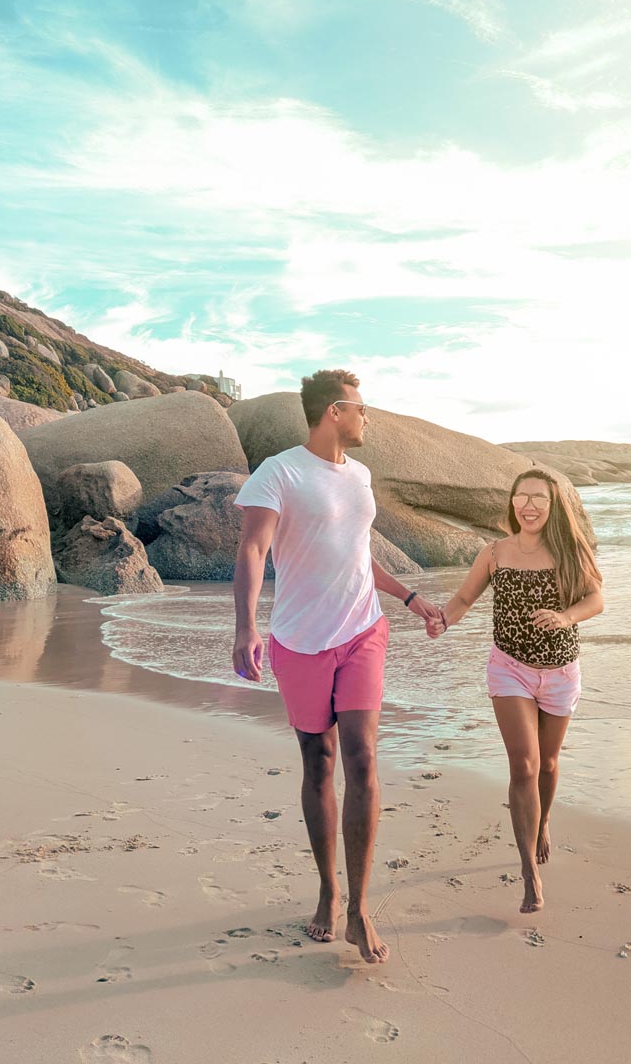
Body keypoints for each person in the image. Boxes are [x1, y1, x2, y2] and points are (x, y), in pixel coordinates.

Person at [231, 369, 441, 963]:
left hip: (362, 631)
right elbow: (252, 548)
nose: (368, 417)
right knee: (318, 761)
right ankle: (327, 890)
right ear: (333, 412)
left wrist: (407, 597)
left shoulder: (362, 476)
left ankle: (360, 907)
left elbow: (358, 554)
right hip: (300, 640)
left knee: (363, 757)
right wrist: (246, 627)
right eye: (361, 408)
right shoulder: (280, 471)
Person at [427, 468, 603, 914]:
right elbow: (465, 598)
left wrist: (566, 617)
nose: (529, 505)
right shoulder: (495, 552)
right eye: (521, 497)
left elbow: (595, 599)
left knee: (547, 762)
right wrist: (444, 618)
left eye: (538, 498)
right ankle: (529, 869)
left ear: (553, 504)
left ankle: (542, 822)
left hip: (561, 671)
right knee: (523, 764)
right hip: (510, 670)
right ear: (511, 503)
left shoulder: (569, 549)